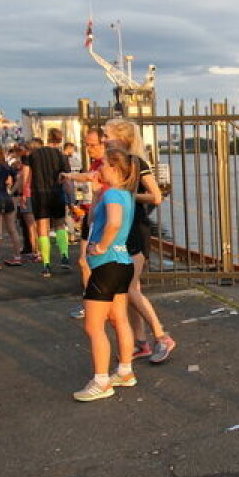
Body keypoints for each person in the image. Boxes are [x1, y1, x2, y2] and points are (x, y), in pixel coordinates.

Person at [102, 119, 175, 364]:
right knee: (131, 289)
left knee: (129, 288)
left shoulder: (136, 163)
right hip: (124, 229)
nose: (103, 139)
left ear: (121, 138)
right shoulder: (114, 163)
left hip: (135, 230)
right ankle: (141, 342)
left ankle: (162, 336)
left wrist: (126, 194)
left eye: (106, 135)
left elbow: (156, 197)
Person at [73, 148, 139, 402]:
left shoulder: (112, 194)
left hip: (106, 263)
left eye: (101, 165)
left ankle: (101, 380)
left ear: (113, 167)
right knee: (119, 319)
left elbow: (112, 223)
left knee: (93, 325)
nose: (97, 169)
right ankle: (124, 371)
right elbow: (98, 219)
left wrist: (99, 246)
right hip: (122, 263)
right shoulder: (124, 194)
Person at [62, 128, 105, 320]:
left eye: (92, 145)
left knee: (93, 262)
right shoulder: (96, 162)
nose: (88, 148)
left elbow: (90, 177)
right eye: (86, 144)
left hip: (102, 217)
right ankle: (91, 302)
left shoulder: (106, 162)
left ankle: (95, 303)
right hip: (92, 215)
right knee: (84, 260)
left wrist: (69, 176)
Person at [27, 129, 70, 277]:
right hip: (56, 193)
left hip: (39, 193)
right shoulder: (62, 156)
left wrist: (25, 192)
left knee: (42, 227)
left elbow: (27, 174)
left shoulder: (33, 155)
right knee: (60, 224)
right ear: (60, 139)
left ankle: (46, 264)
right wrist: (70, 198)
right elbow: (66, 178)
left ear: (47, 137)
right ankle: (64, 256)